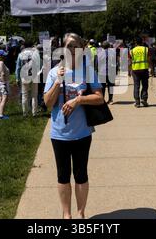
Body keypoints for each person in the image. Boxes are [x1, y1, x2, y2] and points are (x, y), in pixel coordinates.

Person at [44, 33, 104, 219]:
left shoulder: (88, 71)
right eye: (68, 45)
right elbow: (47, 102)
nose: (71, 49)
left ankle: (80, 213)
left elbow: (99, 97)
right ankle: (66, 215)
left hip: (82, 133)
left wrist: (78, 100)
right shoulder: (54, 72)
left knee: (81, 174)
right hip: (60, 134)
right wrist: (57, 82)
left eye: (75, 46)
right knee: (63, 175)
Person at [16, 42, 40, 117]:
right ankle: (34, 113)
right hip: (34, 75)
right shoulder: (35, 54)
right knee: (34, 95)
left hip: (24, 76)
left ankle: (25, 113)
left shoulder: (20, 54)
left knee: (24, 95)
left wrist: (17, 78)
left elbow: (18, 67)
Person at [130, 37, 150, 108]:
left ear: (135, 43)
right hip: (144, 69)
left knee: (136, 86)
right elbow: (149, 59)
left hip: (135, 70)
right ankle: (144, 99)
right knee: (145, 85)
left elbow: (130, 61)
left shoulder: (132, 50)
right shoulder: (146, 49)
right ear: (142, 42)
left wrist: (129, 70)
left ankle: (137, 102)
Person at [0, 50, 10, 120]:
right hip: (2, 82)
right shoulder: (1, 63)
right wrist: (4, 83)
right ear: (1, 56)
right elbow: (2, 73)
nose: (5, 56)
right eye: (3, 55)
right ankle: (1, 115)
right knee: (4, 97)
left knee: (1, 97)